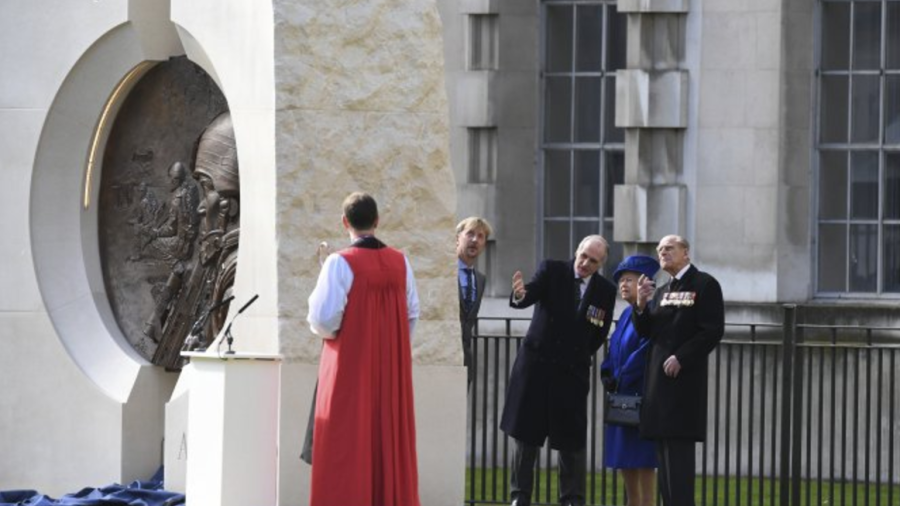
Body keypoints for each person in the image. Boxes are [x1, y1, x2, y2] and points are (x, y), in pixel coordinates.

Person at [306, 192, 421, 506]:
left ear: (345, 222)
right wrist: (390, 344)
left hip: (349, 368)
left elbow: (323, 319)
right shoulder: (401, 261)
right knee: (388, 441)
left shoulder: (339, 262)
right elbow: (411, 313)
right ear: (377, 221)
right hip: (390, 371)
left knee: (344, 441)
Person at [500, 235, 618, 506]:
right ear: (576, 250)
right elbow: (530, 293)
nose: (585, 263)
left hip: (571, 375)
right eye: (584, 256)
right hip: (536, 371)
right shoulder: (552, 270)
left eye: (593, 260)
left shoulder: (605, 291)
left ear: (601, 264)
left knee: (571, 443)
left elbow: (599, 333)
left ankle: (572, 500)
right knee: (526, 439)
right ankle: (519, 498)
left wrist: (577, 354)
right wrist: (520, 295)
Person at [634, 235, 725, 506]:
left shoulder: (704, 284)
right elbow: (647, 332)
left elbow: (712, 330)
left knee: (679, 464)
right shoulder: (661, 291)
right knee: (664, 461)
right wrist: (640, 305)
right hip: (659, 386)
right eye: (660, 250)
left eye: (669, 248)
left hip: (683, 385)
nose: (663, 253)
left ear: (686, 252)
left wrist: (682, 358)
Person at [600, 255, 661, 506]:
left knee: (644, 461)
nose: (623, 285)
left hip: (642, 398)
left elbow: (646, 350)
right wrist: (607, 374)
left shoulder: (652, 311)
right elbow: (614, 348)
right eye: (621, 281)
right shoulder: (625, 314)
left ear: (644, 283)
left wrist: (622, 375)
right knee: (625, 460)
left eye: (629, 280)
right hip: (622, 400)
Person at [456, 216, 493, 386]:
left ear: (484, 244)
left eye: (480, 236)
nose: (474, 240)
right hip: (441, 355)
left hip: (465, 359)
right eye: (470, 234)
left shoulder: (480, 279)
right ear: (458, 237)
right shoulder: (444, 272)